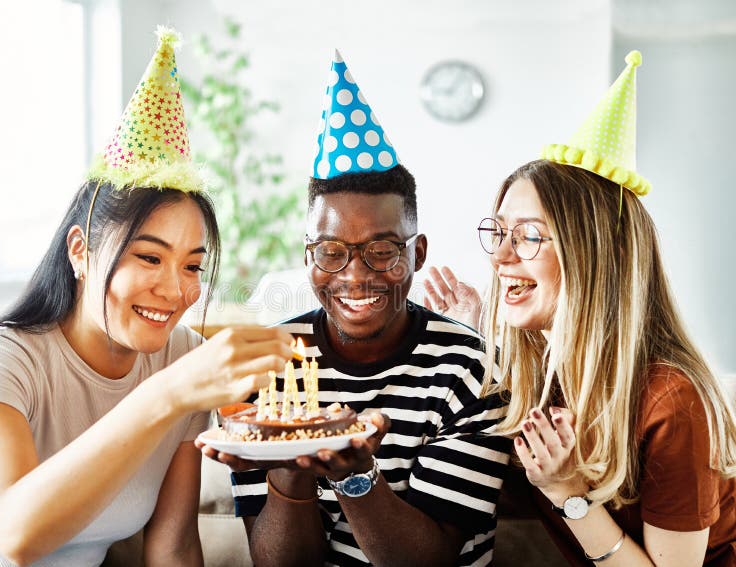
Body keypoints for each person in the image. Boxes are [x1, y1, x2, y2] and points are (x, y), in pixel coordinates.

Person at [0, 28, 293, 566]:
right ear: (80, 251)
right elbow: (16, 534)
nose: (176, 290)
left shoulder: (180, 357)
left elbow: (171, 545)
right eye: (148, 257)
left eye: (193, 265)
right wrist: (170, 393)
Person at [198, 49, 512, 567]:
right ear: (307, 256)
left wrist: (354, 473)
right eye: (331, 252)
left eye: (383, 250)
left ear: (419, 252)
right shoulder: (270, 366)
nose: (355, 274)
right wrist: (288, 466)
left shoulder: (473, 370)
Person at [425, 52, 736, 565]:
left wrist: (568, 493)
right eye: (499, 233)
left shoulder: (671, 402)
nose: (500, 257)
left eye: (527, 237)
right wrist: (476, 331)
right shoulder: (541, 374)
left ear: (592, 256)